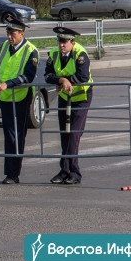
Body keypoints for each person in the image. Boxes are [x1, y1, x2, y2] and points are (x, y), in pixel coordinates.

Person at [0, 15, 39, 184]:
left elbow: (28, 76)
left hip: (20, 97)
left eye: (12, 33)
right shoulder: (6, 46)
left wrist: (8, 84)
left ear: (21, 33)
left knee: (16, 136)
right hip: (4, 96)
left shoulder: (31, 50)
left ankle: (13, 174)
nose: (9, 36)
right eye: (8, 32)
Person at [44, 27, 93, 185]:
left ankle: (75, 172)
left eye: (65, 41)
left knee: (74, 134)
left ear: (73, 42)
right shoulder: (53, 54)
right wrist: (60, 81)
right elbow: (47, 75)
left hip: (81, 97)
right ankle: (64, 171)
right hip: (65, 98)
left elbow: (83, 76)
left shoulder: (80, 54)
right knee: (65, 134)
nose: (61, 45)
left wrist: (65, 80)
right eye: (59, 41)